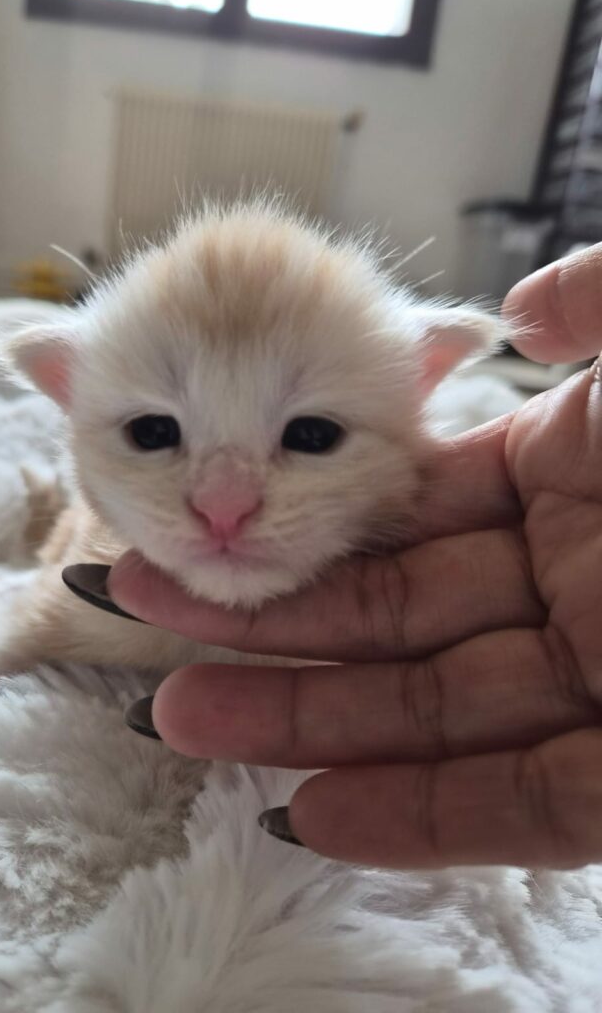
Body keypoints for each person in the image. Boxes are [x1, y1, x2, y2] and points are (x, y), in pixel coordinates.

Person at [95, 244, 602, 869]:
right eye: (154, 431)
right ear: (65, 387)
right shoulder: (113, 579)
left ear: (425, 374)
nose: (222, 506)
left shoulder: (446, 594)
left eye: (312, 434)